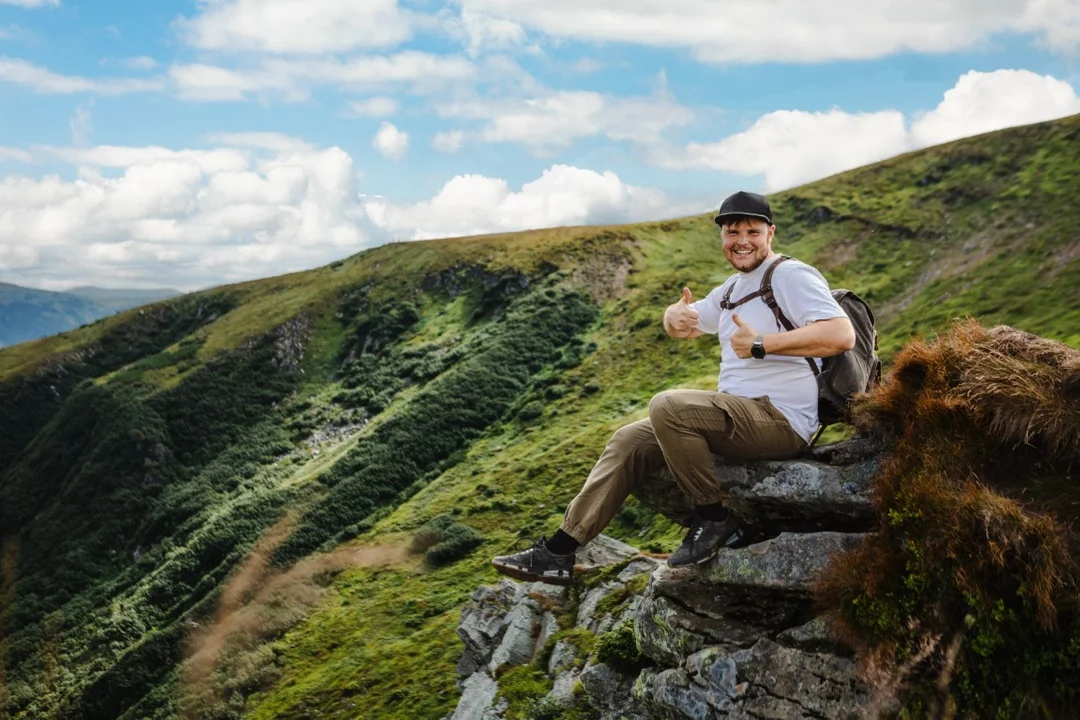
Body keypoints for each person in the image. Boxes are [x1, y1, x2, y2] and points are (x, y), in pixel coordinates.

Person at [491, 191, 856, 586]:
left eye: (753, 231)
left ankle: (712, 518)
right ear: (722, 236)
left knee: (668, 406)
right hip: (738, 413)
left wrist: (760, 344)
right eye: (733, 232)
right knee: (629, 438)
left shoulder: (789, 276)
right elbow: (684, 325)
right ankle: (558, 551)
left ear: (771, 233)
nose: (743, 240)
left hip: (781, 420)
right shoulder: (734, 288)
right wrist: (673, 315)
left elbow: (840, 334)